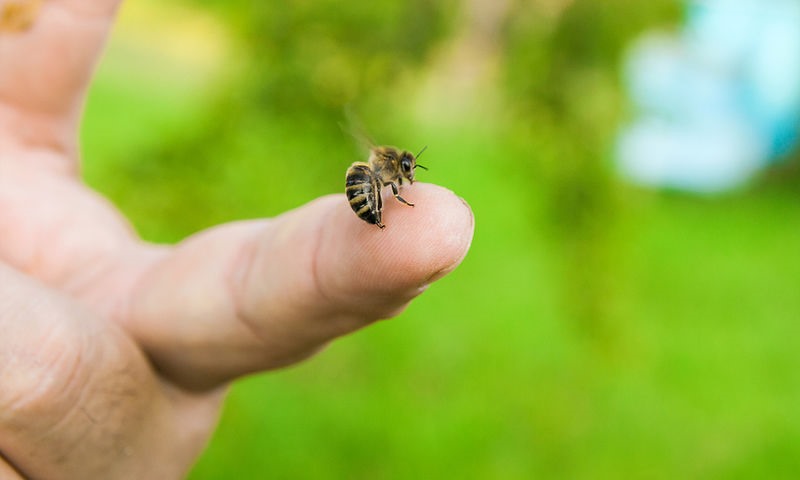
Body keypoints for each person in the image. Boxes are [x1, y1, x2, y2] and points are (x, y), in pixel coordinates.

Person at [0, 0, 474, 477]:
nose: (408, 173)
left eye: (407, 171)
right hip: (364, 190)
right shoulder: (383, 170)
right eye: (406, 169)